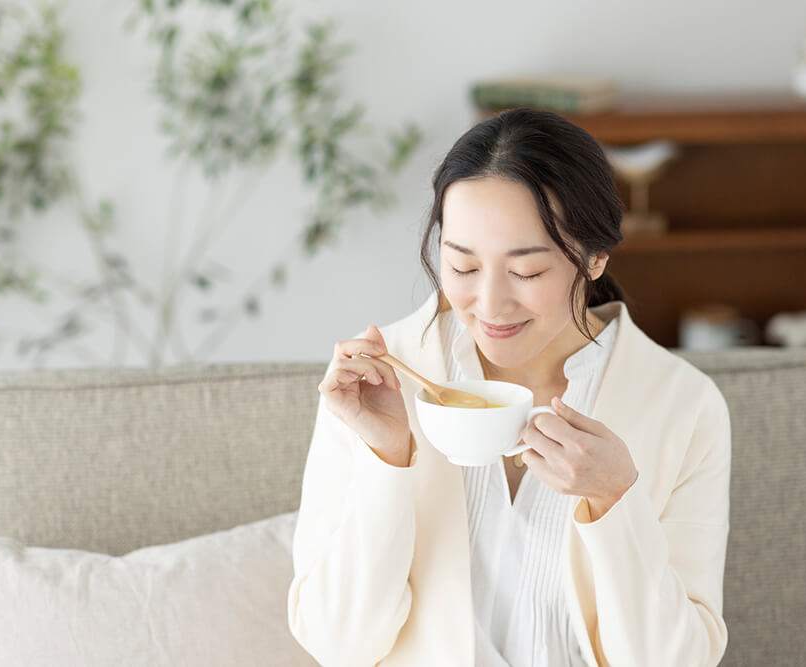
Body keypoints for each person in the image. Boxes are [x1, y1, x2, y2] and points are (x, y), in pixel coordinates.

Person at [287, 108, 731, 667]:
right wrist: (386, 458)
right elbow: (338, 645)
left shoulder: (682, 406)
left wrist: (617, 500)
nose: (491, 306)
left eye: (527, 272)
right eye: (463, 267)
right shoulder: (376, 381)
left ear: (595, 257)